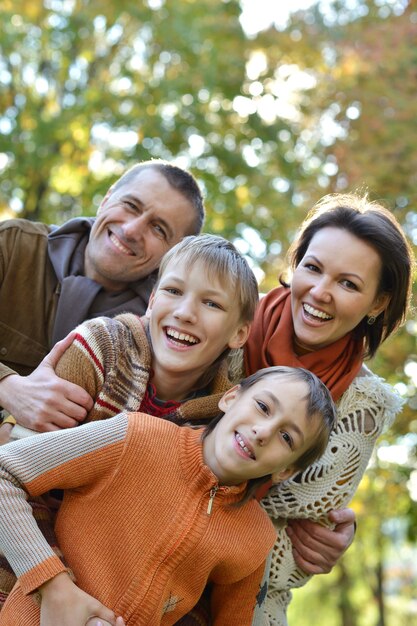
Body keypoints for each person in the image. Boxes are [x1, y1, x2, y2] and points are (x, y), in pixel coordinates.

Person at [0, 233, 259, 621]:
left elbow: (187, 545)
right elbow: (19, 481)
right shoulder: (99, 349)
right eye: (173, 290)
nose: (186, 312)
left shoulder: (219, 424)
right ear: (152, 301)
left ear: (239, 333)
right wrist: (55, 586)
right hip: (23, 564)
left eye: (211, 303)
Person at [0, 366, 337, 626]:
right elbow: (5, 472)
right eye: (263, 407)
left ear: (286, 471)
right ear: (231, 398)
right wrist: (53, 587)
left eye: (287, 438)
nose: (263, 432)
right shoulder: (134, 436)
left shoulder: (255, 539)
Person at [230, 192, 414, 625]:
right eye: (312, 268)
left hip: (246, 596)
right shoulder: (225, 319)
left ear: (377, 303)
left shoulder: (361, 407)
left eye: (348, 284)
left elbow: (291, 555)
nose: (320, 292)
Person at [0, 159, 205, 440]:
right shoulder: (14, 247)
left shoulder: (159, 335)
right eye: (131, 206)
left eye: (158, 229)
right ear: (107, 199)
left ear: (174, 256)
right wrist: (9, 389)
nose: (132, 229)